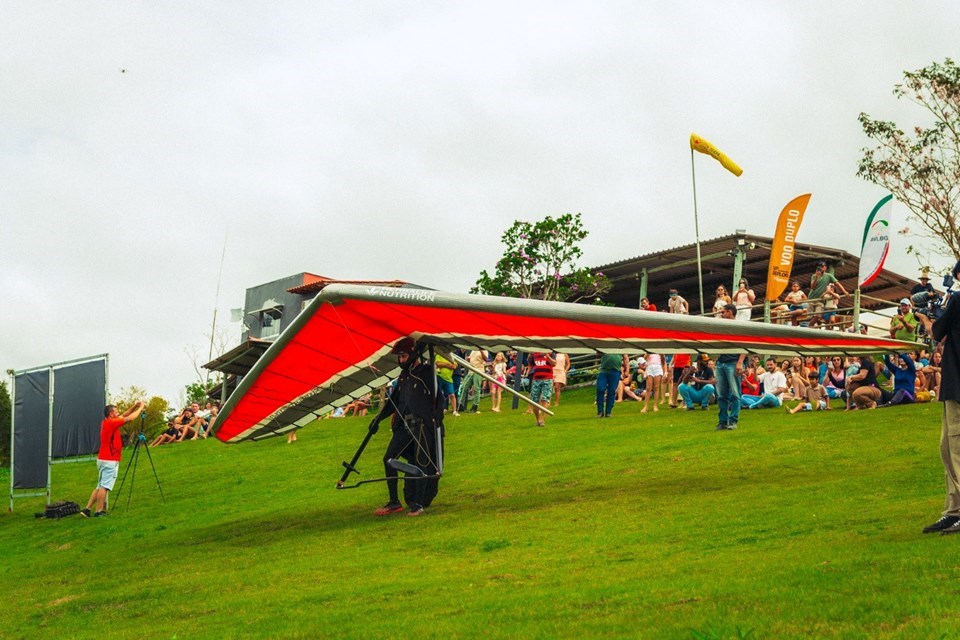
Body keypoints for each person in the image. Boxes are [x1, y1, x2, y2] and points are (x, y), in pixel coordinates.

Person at [368, 338, 444, 518]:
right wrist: (377, 419)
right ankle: (394, 502)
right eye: (399, 357)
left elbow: (439, 400)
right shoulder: (403, 377)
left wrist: (435, 423)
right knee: (389, 458)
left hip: (422, 424)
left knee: (422, 461)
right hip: (405, 423)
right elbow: (393, 402)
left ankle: (418, 503)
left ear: (413, 355)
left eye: (403, 356)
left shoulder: (426, 372)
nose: (401, 360)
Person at [919, 260, 960, 534]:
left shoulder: (957, 300)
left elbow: (935, 332)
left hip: (958, 386)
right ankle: (952, 511)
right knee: (947, 448)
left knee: (955, 450)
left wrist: (924, 317)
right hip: (953, 386)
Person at [82, 401, 145, 517]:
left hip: (102, 458)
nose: (119, 413)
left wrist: (134, 406)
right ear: (111, 414)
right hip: (110, 460)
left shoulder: (107, 422)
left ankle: (87, 508)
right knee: (104, 487)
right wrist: (140, 408)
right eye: (116, 412)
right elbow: (130, 418)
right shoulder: (112, 423)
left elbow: (124, 415)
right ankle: (99, 511)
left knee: (99, 485)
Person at [714, 304, 745, 429]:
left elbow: (746, 345)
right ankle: (722, 421)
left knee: (735, 393)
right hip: (721, 363)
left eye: (724, 312)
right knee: (721, 394)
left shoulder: (739, 327)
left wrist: (740, 362)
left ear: (730, 312)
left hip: (733, 362)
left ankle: (733, 421)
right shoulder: (723, 328)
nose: (722, 314)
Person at [808, 261, 848, 326]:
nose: (821, 268)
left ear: (825, 267)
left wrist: (845, 292)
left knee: (818, 316)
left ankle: (809, 327)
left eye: (822, 266)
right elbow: (812, 287)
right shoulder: (814, 276)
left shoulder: (829, 276)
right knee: (809, 317)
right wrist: (816, 278)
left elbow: (837, 284)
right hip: (811, 298)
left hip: (820, 300)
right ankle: (810, 328)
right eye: (819, 267)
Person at [527, 351, 555, 427]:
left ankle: (542, 420)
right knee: (534, 400)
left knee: (545, 399)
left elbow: (554, 364)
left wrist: (547, 356)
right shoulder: (533, 354)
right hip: (536, 379)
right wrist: (527, 373)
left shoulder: (551, 352)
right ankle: (537, 419)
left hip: (548, 378)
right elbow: (530, 365)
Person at [596, 353, 627, 418]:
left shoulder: (620, 346)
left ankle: (608, 412)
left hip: (615, 371)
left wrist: (627, 370)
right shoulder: (605, 344)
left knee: (612, 390)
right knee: (600, 388)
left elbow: (625, 357)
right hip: (603, 370)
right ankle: (600, 411)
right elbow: (598, 353)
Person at [457, 349, 488, 413]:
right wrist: (468, 359)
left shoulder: (485, 350)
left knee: (477, 388)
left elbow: (486, 359)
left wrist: (481, 351)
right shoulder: (473, 350)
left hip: (479, 370)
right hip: (471, 371)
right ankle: (461, 405)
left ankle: (475, 406)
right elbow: (470, 359)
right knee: (463, 386)